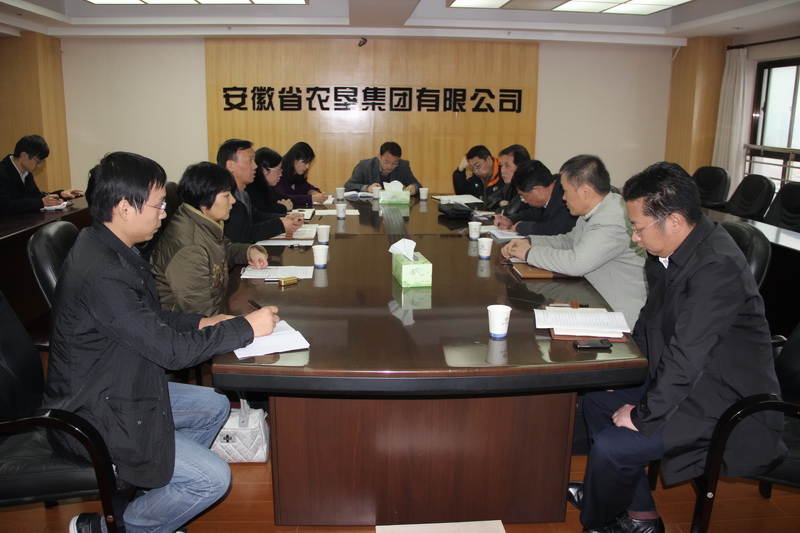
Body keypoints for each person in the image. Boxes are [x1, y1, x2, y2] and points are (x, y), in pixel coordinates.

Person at [42, 151, 280, 533]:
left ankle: (154, 500)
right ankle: (115, 527)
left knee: (214, 406)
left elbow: (149, 318)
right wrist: (245, 328)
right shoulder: (102, 272)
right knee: (212, 479)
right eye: (158, 205)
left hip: (122, 383)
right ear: (124, 208)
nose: (164, 213)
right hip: (94, 412)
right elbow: (169, 352)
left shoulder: (111, 247)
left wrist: (202, 320)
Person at [568, 162, 787, 533]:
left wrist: (642, 415)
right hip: (684, 376)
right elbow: (649, 322)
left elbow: (688, 356)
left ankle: (599, 520)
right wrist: (625, 373)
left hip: (722, 396)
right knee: (598, 399)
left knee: (613, 446)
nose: (635, 237)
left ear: (672, 221)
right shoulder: (668, 253)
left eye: (638, 227)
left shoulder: (717, 266)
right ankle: (640, 515)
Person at [501, 154, 646, 328]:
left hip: (617, 316)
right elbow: (569, 241)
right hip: (592, 300)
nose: (563, 197)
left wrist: (529, 253)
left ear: (585, 190)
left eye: (566, 191)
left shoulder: (611, 218)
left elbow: (576, 263)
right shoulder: (594, 211)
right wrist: (530, 242)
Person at [151, 161, 270, 316]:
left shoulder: (200, 221)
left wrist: (249, 251)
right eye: (226, 195)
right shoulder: (190, 249)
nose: (233, 201)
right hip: (191, 325)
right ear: (204, 201)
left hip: (215, 309)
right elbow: (201, 315)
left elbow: (223, 250)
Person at [216, 139, 304, 244]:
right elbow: (240, 235)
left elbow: (256, 217)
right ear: (231, 165)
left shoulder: (242, 193)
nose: (255, 166)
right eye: (250, 160)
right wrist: (280, 225)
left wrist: (285, 218)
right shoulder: (222, 197)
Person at [0, 134, 83, 215]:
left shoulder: (26, 172)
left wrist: (60, 194)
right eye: (38, 161)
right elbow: (4, 205)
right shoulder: (2, 172)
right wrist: (40, 202)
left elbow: (36, 196)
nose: (39, 166)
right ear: (23, 155)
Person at [495, 161, 577, 237]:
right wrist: (511, 220)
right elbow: (533, 213)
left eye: (523, 196)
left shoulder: (566, 198)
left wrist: (521, 227)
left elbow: (555, 229)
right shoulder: (550, 192)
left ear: (538, 190)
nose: (524, 200)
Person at [343, 141, 422, 196]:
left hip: (394, 209)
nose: (390, 167)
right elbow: (348, 186)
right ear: (379, 157)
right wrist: (367, 188)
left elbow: (418, 186)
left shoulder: (403, 166)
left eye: (395, 163)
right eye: (387, 162)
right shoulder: (365, 165)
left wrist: (414, 187)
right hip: (370, 209)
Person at [275, 141, 328, 206]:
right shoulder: (278, 173)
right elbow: (283, 198)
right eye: (305, 162)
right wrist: (312, 198)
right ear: (294, 159)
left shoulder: (296, 173)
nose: (307, 167)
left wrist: (314, 193)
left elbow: (305, 186)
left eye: (309, 163)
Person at [246, 147, 292, 214]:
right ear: (264, 170)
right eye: (278, 170)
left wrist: (286, 204)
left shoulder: (266, 187)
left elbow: (286, 199)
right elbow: (262, 213)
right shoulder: (251, 189)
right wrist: (283, 207)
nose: (280, 174)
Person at [486, 144, 530, 213]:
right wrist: (500, 203)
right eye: (501, 165)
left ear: (521, 167)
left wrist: (501, 208)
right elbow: (489, 200)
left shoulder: (528, 187)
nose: (502, 171)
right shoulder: (510, 185)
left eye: (507, 166)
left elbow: (509, 212)